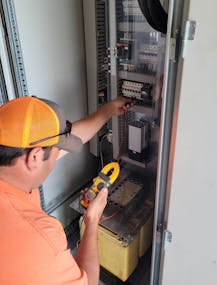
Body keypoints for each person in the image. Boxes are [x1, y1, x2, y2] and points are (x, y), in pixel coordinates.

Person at [0, 95, 133, 285]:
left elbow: (72, 136)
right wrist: (92, 220)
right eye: (57, 152)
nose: (57, 158)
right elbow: (90, 282)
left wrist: (108, 110)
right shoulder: (40, 241)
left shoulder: (11, 155)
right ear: (35, 157)